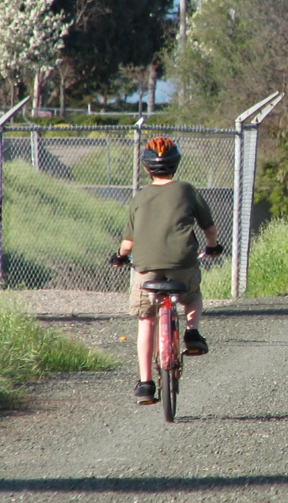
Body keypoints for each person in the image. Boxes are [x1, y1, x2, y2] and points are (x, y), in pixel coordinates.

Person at [110, 137, 223, 403]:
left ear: (147, 168)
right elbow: (209, 228)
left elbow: (128, 243)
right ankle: (192, 333)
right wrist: (213, 247)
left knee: (146, 319)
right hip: (183, 262)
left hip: (146, 268)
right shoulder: (187, 190)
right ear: (176, 164)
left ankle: (146, 383)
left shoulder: (140, 197)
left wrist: (119, 257)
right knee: (192, 294)